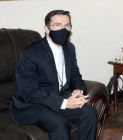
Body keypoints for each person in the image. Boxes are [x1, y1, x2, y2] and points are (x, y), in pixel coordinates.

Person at [8, 10, 97, 140]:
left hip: (59, 97)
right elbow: (29, 93)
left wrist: (78, 91)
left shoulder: (69, 48)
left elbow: (75, 75)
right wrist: (65, 103)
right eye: (57, 25)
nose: (63, 29)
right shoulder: (30, 54)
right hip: (34, 104)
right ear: (47, 29)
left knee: (90, 113)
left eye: (67, 25)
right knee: (59, 124)